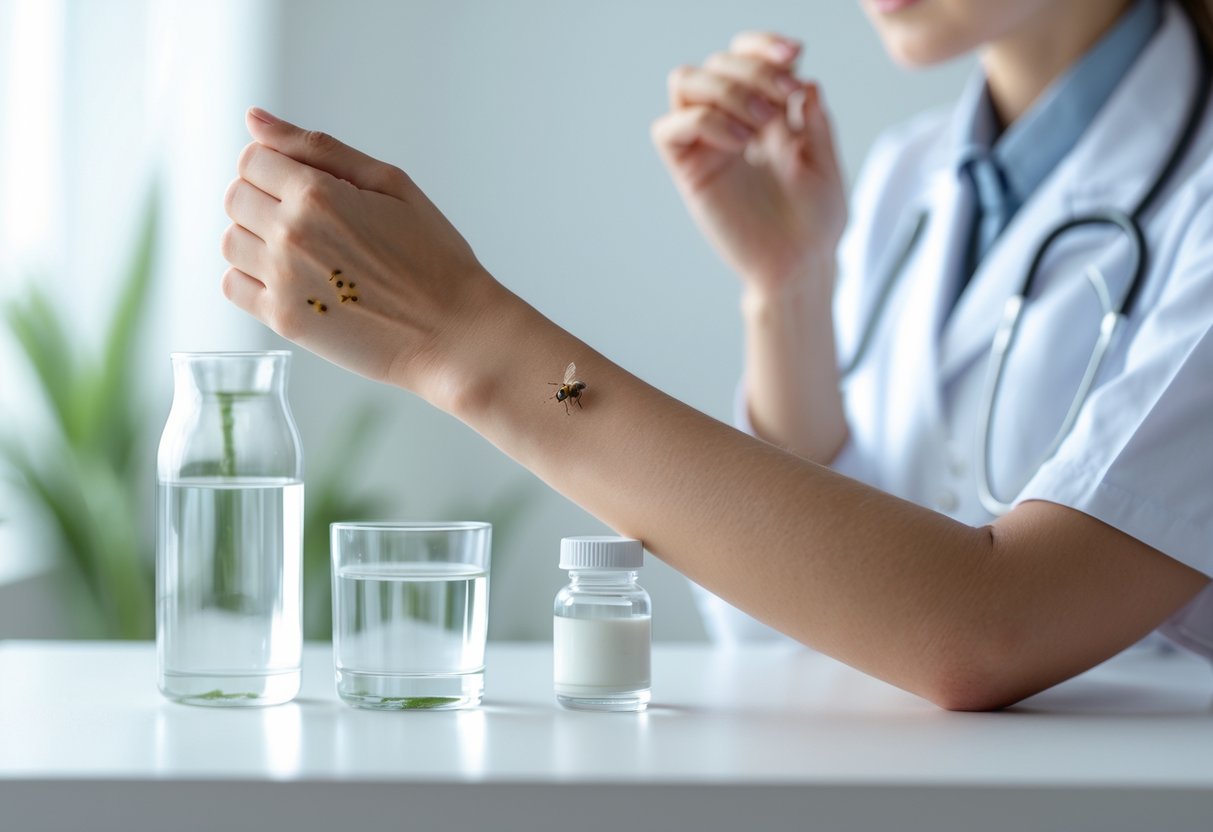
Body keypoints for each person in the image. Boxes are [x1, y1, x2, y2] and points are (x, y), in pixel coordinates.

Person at [220, 0, 1213, 710]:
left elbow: (983, 628)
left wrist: (462, 337)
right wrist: (786, 290)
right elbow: (799, 623)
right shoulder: (913, 178)